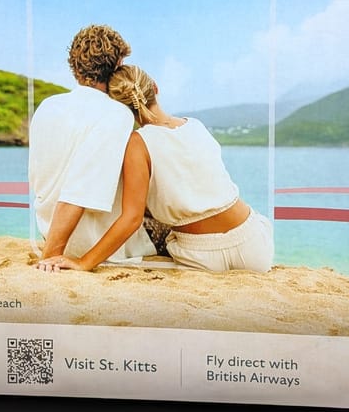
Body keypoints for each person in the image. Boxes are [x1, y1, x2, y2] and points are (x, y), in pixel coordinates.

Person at [45, 64, 274, 273]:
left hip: (201, 256)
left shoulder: (137, 143)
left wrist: (84, 263)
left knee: (144, 216)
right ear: (155, 87)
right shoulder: (196, 126)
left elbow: (131, 219)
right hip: (254, 249)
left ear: (120, 107)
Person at [29, 27, 155, 271]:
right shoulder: (117, 114)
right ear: (117, 65)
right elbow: (77, 193)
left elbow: (41, 181)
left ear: (75, 66)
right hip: (89, 244)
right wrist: (50, 257)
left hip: (49, 228)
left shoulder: (47, 106)